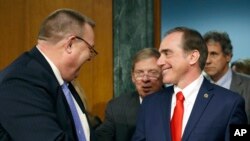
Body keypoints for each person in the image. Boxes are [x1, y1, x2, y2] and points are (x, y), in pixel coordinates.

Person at [132, 27, 247, 141]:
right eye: (160, 55)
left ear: (192, 57)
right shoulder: (150, 104)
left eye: (167, 53)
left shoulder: (230, 103)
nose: (159, 62)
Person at [0, 8, 98, 141]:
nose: (89, 58)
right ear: (70, 44)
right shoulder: (19, 83)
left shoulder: (62, 83)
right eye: (90, 50)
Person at [95, 48, 164, 141]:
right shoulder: (116, 107)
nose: (145, 79)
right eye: (139, 73)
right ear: (132, 77)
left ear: (163, 75)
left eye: (152, 72)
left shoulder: (176, 103)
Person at [203, 31, 250, 123]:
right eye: (204, 55)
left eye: (213, 54)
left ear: (228, 56)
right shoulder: (196, 87)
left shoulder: (248, 85)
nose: (207, 61)